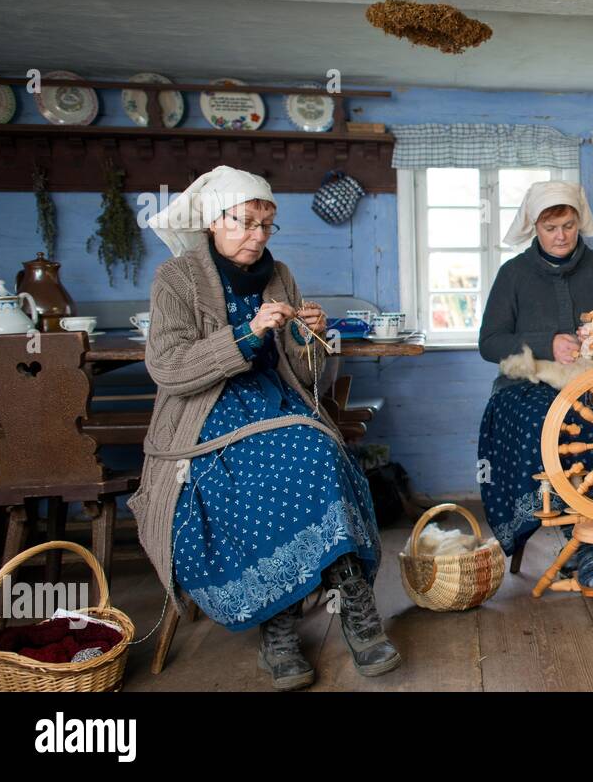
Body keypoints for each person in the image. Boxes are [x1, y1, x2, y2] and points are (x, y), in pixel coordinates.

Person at [130, 166, 398, 690]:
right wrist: (246, 333)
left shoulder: (280, 275)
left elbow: (306, 379)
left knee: (320, 455)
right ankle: (279, 630)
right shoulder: (177, 279)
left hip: (274, 403)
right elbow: (168, 367)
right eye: (245, 222)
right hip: (205, 415)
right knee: (253, 479)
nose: (258, 235)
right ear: (213, 221)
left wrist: (309, 340)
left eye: (266, 224)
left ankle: (357, 613)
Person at [477, 181, 593, 587]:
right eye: (551, 227)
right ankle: (586, 543)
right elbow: (488, 343)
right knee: (558, 419)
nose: (560, 236)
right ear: (534, 226)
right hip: (528, 384)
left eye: (568, 226)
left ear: (579, 224)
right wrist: (545, 345)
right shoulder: (513, 274)